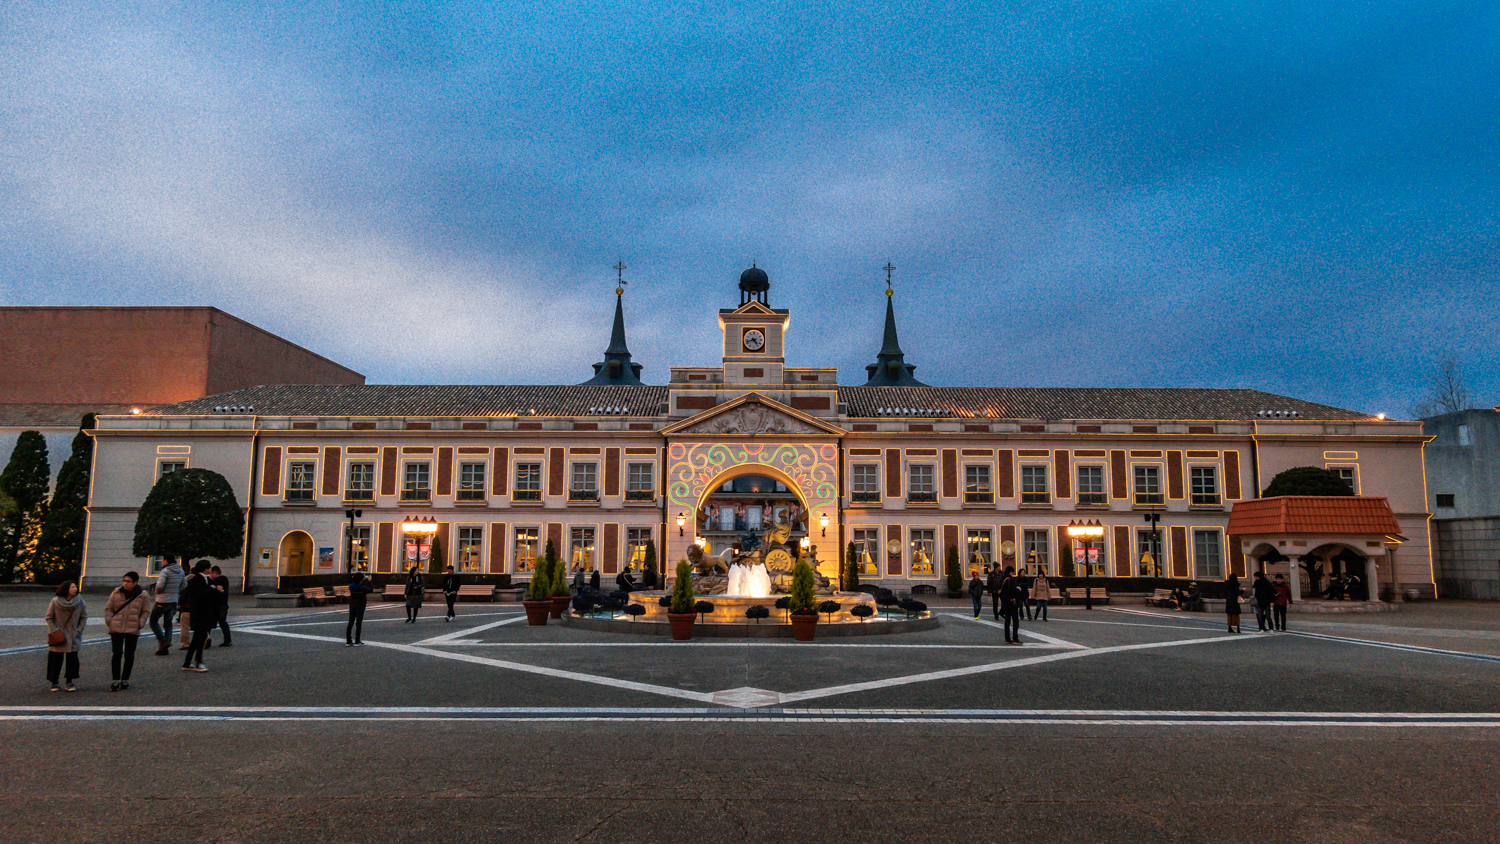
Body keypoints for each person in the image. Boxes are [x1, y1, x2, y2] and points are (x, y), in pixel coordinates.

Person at [104, 571, 152, 691]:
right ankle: (115, 679)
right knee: (117, 653)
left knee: (129, 654)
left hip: (132, 627)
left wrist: (140, 622)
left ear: (135, 583)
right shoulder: (116, 592)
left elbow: (145, 611)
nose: (125, 583)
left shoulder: (142, 595)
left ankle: (125, 679)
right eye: (124, 580)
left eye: (128, 581)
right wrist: (110, 620)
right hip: (116, 627)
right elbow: (109, 608)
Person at [45, 581, 88, 692]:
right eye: (72, 587)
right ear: (65, 589)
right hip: (59, 634)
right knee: (55, 658)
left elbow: (84, 616)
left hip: (73, 634)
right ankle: (54, 682)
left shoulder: (80, 601)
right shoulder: (55, 601)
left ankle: (69, 681)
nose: (75, 588)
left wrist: (79, 630)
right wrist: (55, 630)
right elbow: (49, 617)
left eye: (75, 586)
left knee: (72, 658)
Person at [180, 561, 217, 672]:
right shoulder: (197, 580)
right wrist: (212, 588)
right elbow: (201, 594)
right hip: (200, 613)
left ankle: (188, 662)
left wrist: (214, 589)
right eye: (209, 567)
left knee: (197, 639)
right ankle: (198, 662)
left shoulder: (206, 579)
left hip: (204, 613)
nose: (210, 569)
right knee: (200, 639)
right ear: (205, 569)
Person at [149, 555, 184, 656]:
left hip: (162, 600)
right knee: (168, 624)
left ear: (166, 561)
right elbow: (184, 585)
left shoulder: (165, 571)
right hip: (173, 601)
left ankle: (162, 641)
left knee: (153, 621)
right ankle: (165, 646)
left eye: (162, 560)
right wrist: (175, 592)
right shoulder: (181, 571)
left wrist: (157, 592)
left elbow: (159, 586)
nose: (161, 562)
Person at [346, 571, 373, 645]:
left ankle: (348, 640)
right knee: (358, 624)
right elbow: (370, 589)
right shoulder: (362, 588)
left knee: (350, 623)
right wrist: (369, 581)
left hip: (352, 606)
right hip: (360, 607)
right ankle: (357, 640)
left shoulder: (351, 586)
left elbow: (356, 583)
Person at [1000, 565, 1023, 645]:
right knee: (1015, 620)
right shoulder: (1010, 580)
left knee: (1007, 621)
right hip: (1011, 603)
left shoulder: (1002, 579)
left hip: (1005, 603)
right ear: (1011, 572)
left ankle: (1007, 638)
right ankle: (1015, 638)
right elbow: (1013, 590)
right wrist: (1018, 590)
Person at [209, 565, 232, 646]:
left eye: (211, 574)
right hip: (223, 604)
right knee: (223, 623)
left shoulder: (216, 581)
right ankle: (227, 640)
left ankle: (206, 639)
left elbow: (212, 589)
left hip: (216, 605)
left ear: (214, 573)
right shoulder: (225, 580)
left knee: (209, 623)